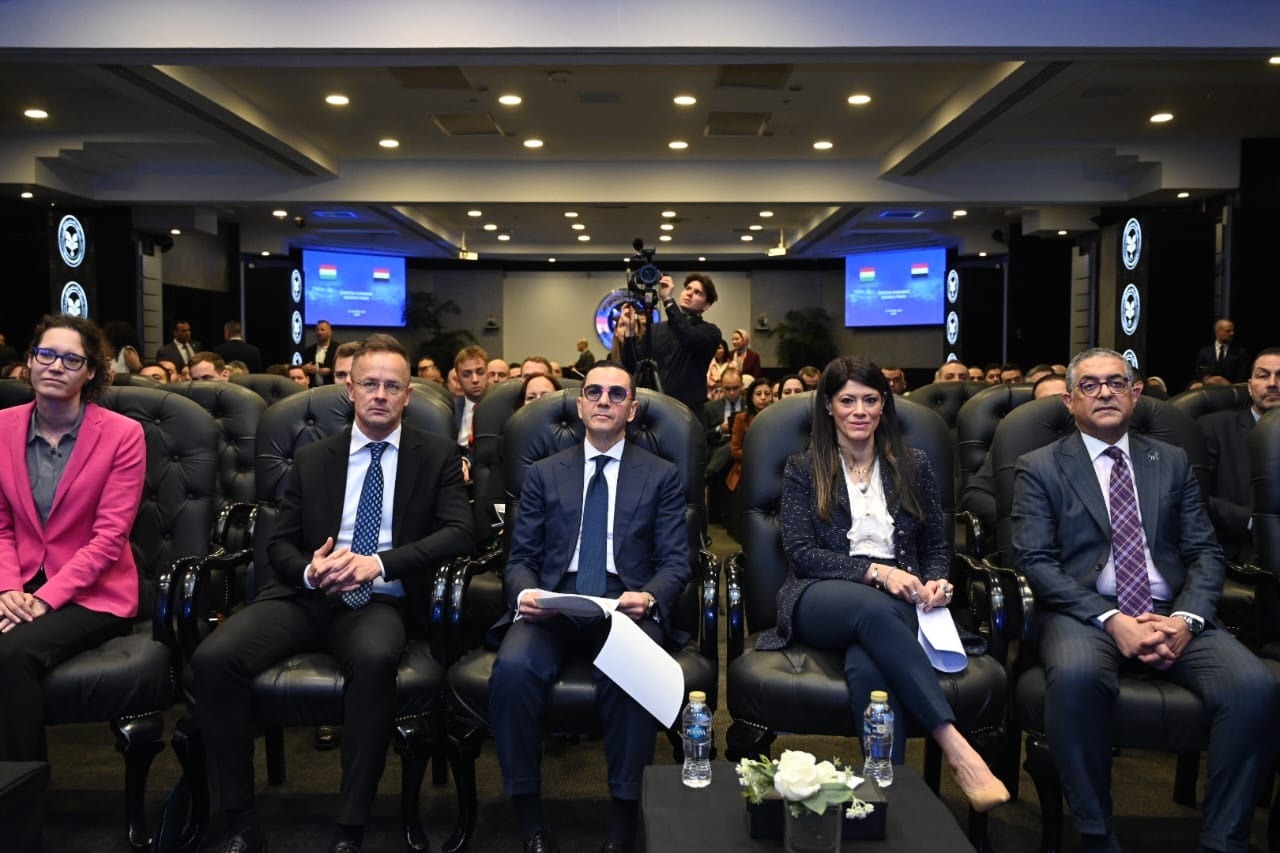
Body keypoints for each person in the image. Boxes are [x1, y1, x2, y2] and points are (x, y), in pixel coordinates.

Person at [188, 334, 473, 853]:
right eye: (370, 384)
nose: (380, 395)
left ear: (409, 395)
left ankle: (350, 825)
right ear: (350, 389)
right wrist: (309, 571)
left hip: (379, 598)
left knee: (374, 661)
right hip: (305, 594)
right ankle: (239, 820)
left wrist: (377, 563)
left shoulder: (436, 455)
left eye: (392, 386)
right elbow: (279, 542)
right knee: (213, 659)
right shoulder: (315, 457)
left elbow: (459, 533)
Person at [1011, 347, 1277, 853]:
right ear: (1069, 400)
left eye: (1117, 383)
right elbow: (1036, 562)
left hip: (1171, 610)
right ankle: (1096, 833)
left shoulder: (1170, 461)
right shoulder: (1040, 466)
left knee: (1254, 687)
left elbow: (1204, 551)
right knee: (1076, 678)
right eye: (1090, 385)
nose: (1105, 393)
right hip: (1085, 611)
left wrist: (1187, 618)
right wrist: (1112, 619)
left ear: (1135, 394)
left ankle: (1224, 840)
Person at [755, 355, 1009, 813]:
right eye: (847, 400)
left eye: (870, 400)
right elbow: (802, 553)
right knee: (872, 609)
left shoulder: (914, 465)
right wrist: (878, 572)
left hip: (900, 598)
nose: (860, 411)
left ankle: (885, 801)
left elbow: (935, 546)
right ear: (828, 406)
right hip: (820, 592)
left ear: (884, 404)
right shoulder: (803, 467)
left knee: (869, 668)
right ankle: (955, 745)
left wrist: (938, 582)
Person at [487, 361, 689, 853]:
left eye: (616, 394)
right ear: (580, 406)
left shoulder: (661, 475)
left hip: (625, 602)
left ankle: (621, 824)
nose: (603, 400)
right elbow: (521, 558)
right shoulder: (544, 473)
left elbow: (676, 562)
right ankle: (530, 820)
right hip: (556, 600)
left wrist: (650, 596)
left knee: (630, 673)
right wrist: (525, 594)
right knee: (512, 670)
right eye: (593, 391)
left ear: (632, 410)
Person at [0, 315, 146, 762]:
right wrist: (8, 589)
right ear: (29, 362)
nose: (55, 366)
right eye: (45, 354)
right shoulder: (2, 427)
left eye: (71, 359)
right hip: (19, 584)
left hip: (93, 593)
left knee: (11, 654)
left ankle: (20, 794)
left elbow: (109, 538)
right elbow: (1, 526)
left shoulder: (123, 435)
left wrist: (45, 600)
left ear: (91, 372)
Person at [1199, 347, 1280, 562]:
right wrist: (1255, 521)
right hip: (1238, 552)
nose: (1272, 383)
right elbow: (1196, 494)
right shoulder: (1214, 427)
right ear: (1250, 387)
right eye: (1263, 375)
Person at [619, 274, 720, 414]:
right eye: (688, 288)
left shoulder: (710, 332)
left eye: (697, 292)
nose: (689, 293)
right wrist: (630, 330)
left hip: (688, 411)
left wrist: (668, 300)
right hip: (654, 408)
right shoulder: (656, 329)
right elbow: (631, 364)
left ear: (706, 305)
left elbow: (689, 338)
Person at [725, 379, 774, 492]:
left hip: (773, 469)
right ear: (751, 397)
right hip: (747, 469)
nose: (763, 397)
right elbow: (735, 451)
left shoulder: (779, 417)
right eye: (758, 394)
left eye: (767, 394)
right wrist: (759, 456)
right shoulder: (741, 418)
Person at [1193, 318, 1250, 383]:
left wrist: (1227, 384)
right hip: (1209, 388)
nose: (1232, 333)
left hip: (1232, 388)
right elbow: (1198, 374)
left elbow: (1243, 377)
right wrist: (1206, 379)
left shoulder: (1240, 352)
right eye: (1228, 331)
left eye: (1232, 330)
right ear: (1218, 332)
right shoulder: (1204, 353)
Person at [303, 320, 339, 387]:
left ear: (330, 332)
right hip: (312, 388)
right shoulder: (309, 350)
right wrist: (305, 368)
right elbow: (302, 368)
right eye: (317, 330)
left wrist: (330, 371)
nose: (319, 332)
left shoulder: (338, 349)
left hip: (332, 387)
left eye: (322, 330)